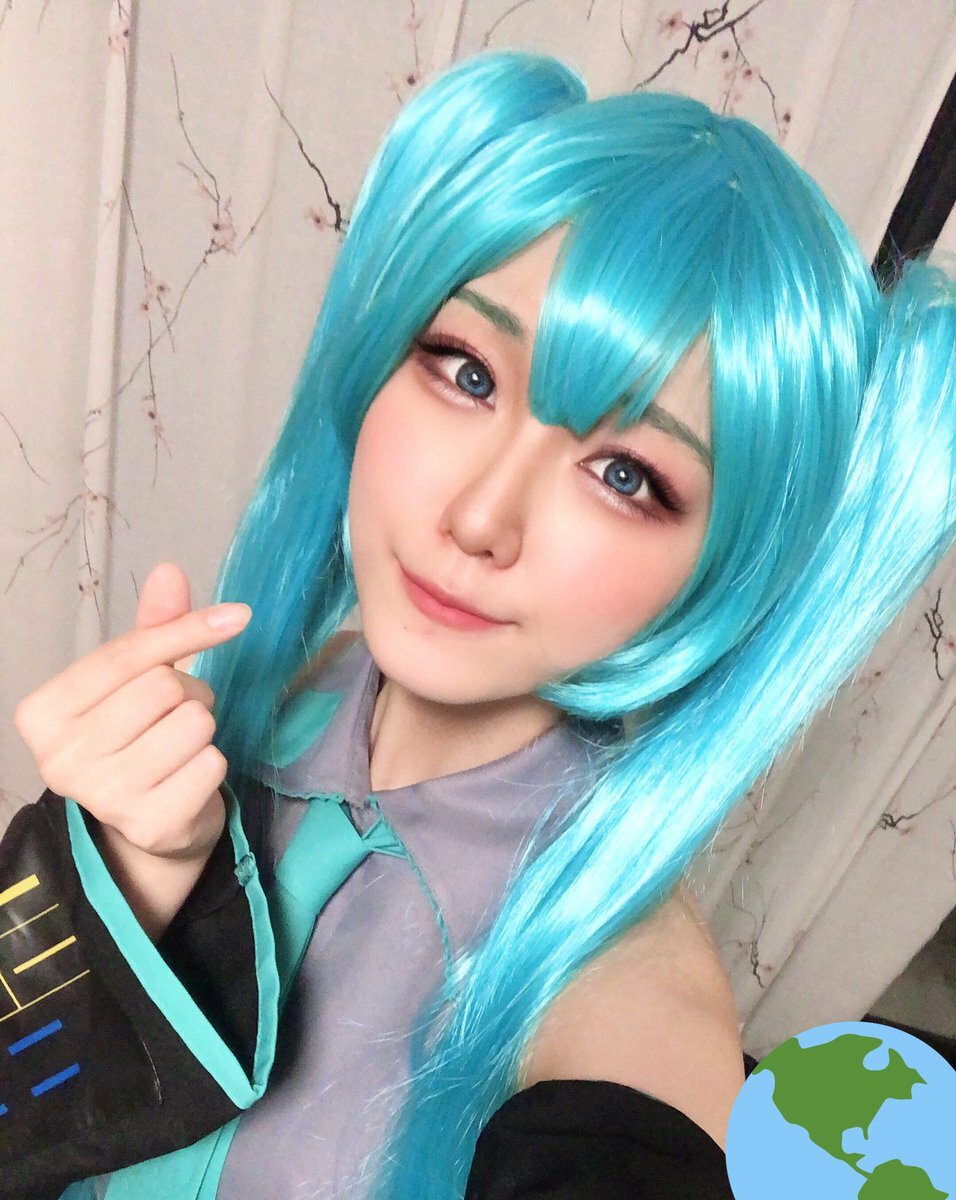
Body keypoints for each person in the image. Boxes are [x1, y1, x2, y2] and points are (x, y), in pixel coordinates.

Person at [2, 48, 954, 1200]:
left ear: (722, 568)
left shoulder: (624, 1015)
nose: (477, 518)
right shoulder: (293, 695)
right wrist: (109, 886)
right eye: (463, 371)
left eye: (624, 475)